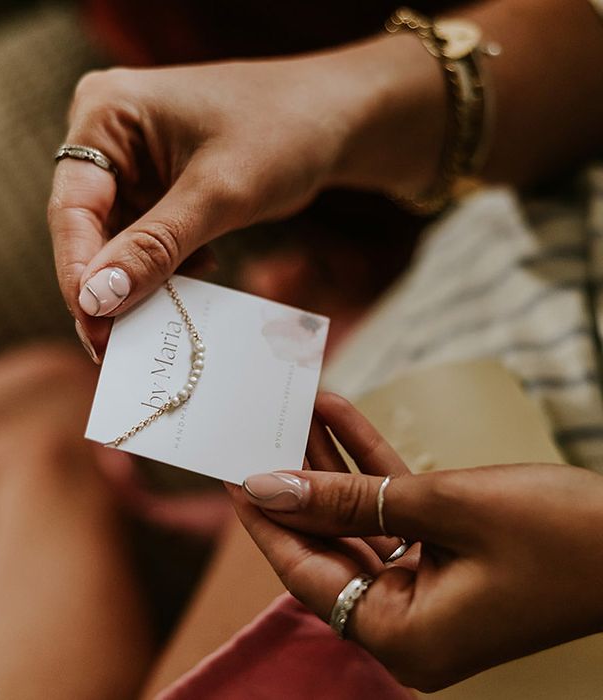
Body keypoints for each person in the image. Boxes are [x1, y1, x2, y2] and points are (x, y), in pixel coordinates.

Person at [47, 0, 603, 691]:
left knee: (44, 461)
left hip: (534, 539)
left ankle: (25, 460)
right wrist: (328, 103)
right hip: (466, 320)